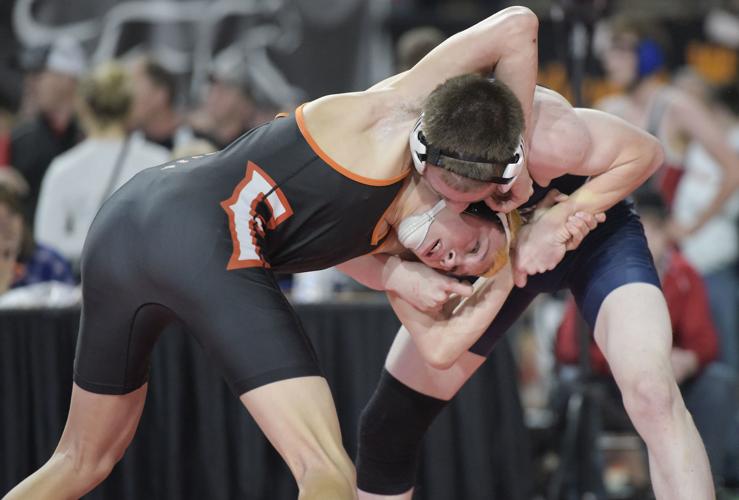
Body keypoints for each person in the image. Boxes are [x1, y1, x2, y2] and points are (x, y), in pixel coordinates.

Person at [3, 7, 544, 499]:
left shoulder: (382, 246)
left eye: (459, 265)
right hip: (195, 229)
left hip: (125, 225)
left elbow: (438, 343)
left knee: (81, 460)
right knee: (324, 465)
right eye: (470, 243)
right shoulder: (390, 118)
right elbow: (518, 22)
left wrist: (406, 277)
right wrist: (517, 161)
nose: (452, 260)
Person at [354, 80, 715, 500]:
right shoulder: (392, 169)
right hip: (491, 255)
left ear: (507, 167)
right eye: (442, 189)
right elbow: (335, 254)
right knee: (390, 422)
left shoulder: (549, 136)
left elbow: (647, 151)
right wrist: (395, 274)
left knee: (652, 393)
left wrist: (563, 216)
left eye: (470, 190)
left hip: (593, 236)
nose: (455, 194)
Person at [555, 189, 738, 488]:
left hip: (667, 379)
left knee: (717, 383)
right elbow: (568, 347)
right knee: (573, 386)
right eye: (640, 228)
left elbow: (704, 341)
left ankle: (705, 479)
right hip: (609, 379)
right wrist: (627, 360)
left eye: (654, 229)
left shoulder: (684, 274)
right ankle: (588, 487)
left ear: (667, 233)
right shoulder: (593, 271)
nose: (648, 238)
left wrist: (686, 360)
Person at [596, 18, 739, 372]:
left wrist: (690, 227)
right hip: (623, 246)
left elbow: (733, 167)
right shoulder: (610, 109)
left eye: (621, 51)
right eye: (609, 53)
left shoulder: (674, 106)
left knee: (715, 354)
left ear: (646, 56)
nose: (611, 62)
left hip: (671, 253)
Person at [33, 62, 170, 269]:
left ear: (83, 107)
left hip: (85, 288)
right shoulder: (161, 161)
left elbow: (48, 243)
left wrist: (93, 246)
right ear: (129, 106)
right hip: (148, 284)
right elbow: (170, 232)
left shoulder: (63, 168)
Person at [9, 36, 86, 221]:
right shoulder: (17, 141)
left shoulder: (95, 137)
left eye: (39, 74)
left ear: (67, 79)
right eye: (29, 76)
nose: (30, 83)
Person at [127, 55, 197, 152]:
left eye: (133, 87)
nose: (125, 98)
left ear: (160, 95)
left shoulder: (197, 147)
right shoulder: (122, 142)